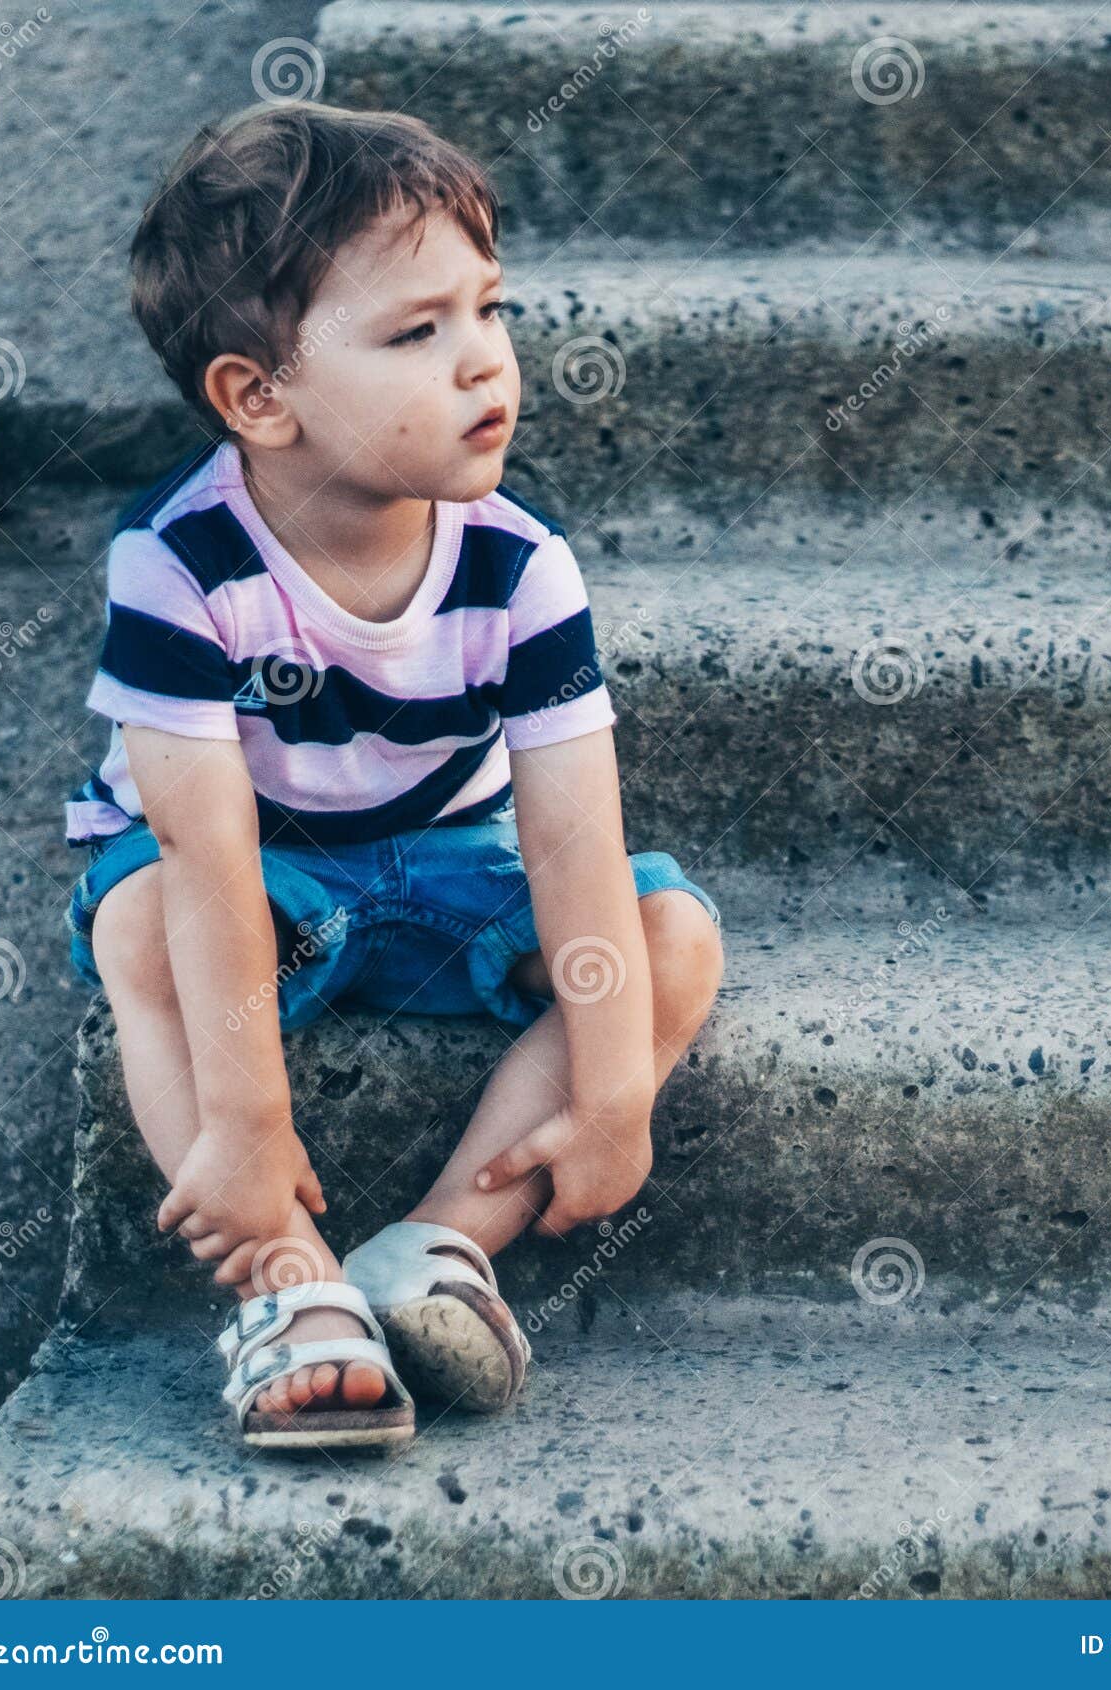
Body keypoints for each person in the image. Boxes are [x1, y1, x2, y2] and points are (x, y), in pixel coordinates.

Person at [63, 101, 725, 1451]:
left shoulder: (519, 563)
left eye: (488, 309)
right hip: (262, 882)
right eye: (419, 334)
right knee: (131, 920)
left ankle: (432, 1250)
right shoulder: (179, 566)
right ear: (259, 397)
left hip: (451, 874)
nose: (486, 363)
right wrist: (250, 1129)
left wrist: (610, 1095)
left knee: (674, 935)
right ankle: (291, 1286)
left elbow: (576, 849)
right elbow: (202, 854)